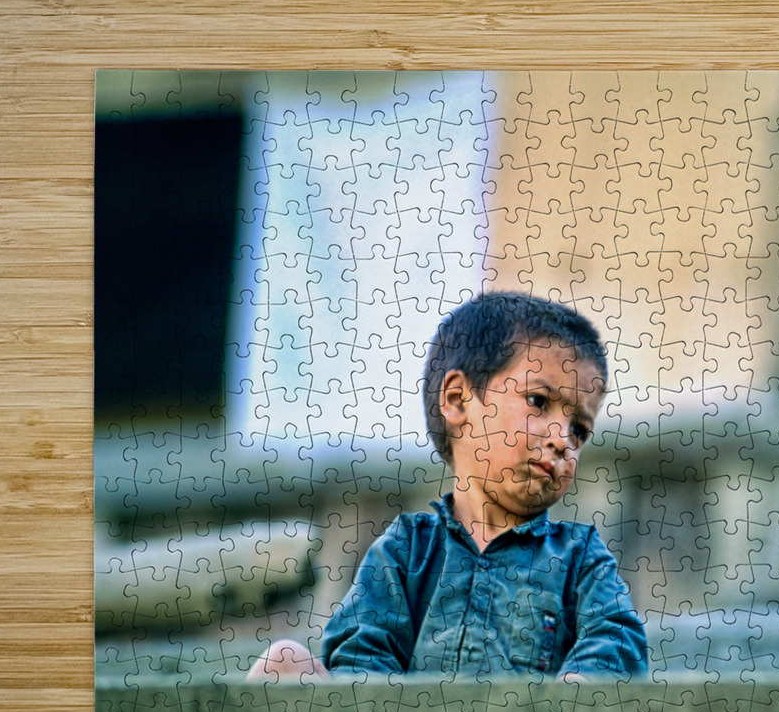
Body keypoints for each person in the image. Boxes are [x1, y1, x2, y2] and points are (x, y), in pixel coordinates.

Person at [248, 291, 648, 682]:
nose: (563, 439)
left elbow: (616, 639)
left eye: (579, 429)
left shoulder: (579, 557)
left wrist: (571, 694)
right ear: (457, 400)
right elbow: (363, 657)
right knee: (282, 661)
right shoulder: (406, 550)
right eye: (539, 402)